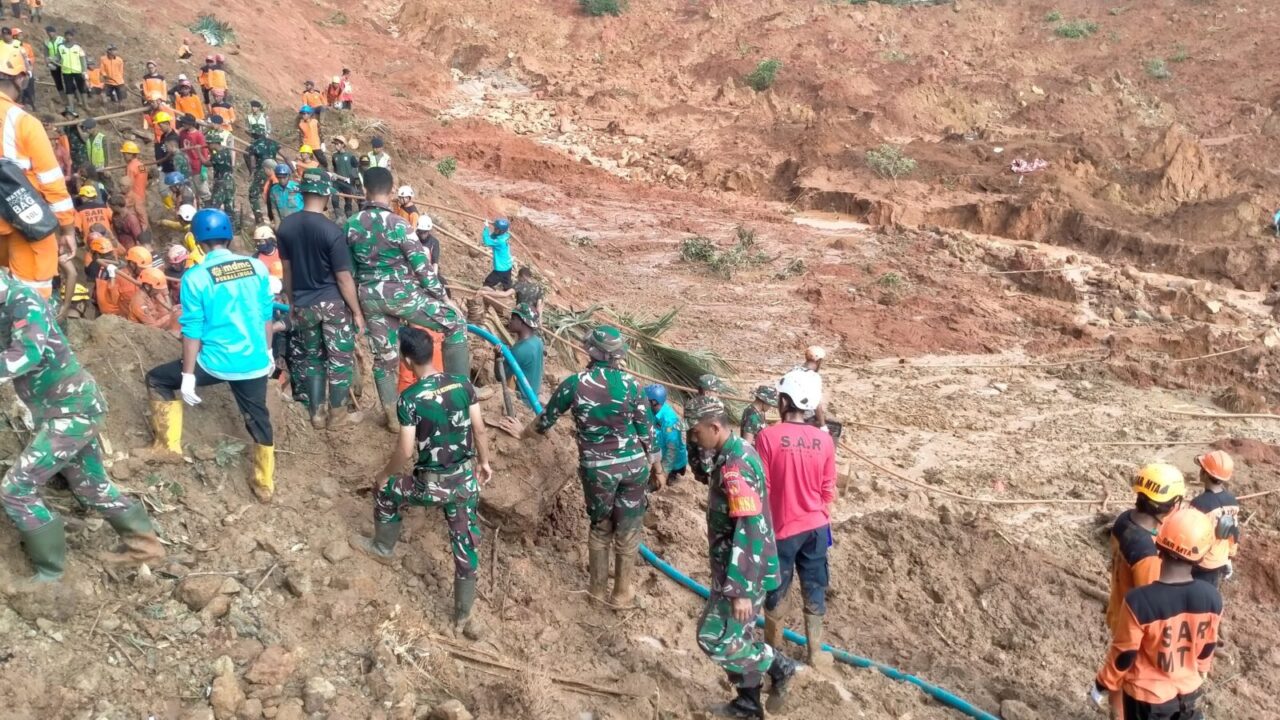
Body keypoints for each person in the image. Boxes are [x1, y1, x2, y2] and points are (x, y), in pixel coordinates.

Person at [0, 266, 165, 584]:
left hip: (72, 410)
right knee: (91, 486)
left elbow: (27, 353)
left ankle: (51, 575)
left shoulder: (23, 301)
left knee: (16, 489)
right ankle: (146, 549)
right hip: (61, 410)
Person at [499, 326, 664, 607]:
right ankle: (622, 593)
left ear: (592, 352)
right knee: (628, 531)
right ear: (617, 356)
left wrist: (522, 432)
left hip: (598, 470)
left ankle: (597, 592)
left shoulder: (574, 384)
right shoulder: (633, 386)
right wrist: (657, 469)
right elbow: (648, 434)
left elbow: (545, 420)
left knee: (601, 529)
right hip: (634, 467)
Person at [351, 327, 494, 639]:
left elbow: (404, 449)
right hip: (465, 482)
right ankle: (462, 615)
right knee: (464, 543)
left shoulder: (410, 399)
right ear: (434, 352)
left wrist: (385, 475)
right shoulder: (461, 384)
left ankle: (383, 547)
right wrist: (483, 462)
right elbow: (480, 430)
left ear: (405, 359)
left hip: (430, 486)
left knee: (387, 493)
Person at [143, 209, 276, 501]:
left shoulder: (196, 277)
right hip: (254, 361)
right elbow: (267, 313)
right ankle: (264, 483)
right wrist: (267, 351)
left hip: (215, 364)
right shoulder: (257, 268)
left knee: (158, 379)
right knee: (258, 417)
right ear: (228, 236)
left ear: (199, 242)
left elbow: (192, 331)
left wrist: (188, 376)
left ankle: (169, 446)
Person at [688, 398, 798, 717]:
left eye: (697, 433)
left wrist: (739, 590)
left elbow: (748, 527)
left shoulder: (735, 466)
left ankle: (780, 667)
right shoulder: (734, 453)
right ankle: (749, 704)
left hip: (742, 572)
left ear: (715, 427)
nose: (695, 439)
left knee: (712, 636)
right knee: (739, 636)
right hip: (739, 568)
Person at [345, 166, 468, 430]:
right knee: (455, 324)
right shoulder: (399, 224)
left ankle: (392, 418)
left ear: (365, 189)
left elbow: (349, 272)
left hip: (369, 297)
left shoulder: (351, 225)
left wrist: (356, 310)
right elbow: (422, 268)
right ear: (391, 192)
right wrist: (445, 299)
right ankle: (461, 393)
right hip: (401, 294)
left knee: (384, 358)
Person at [1092, 508, 1221, 720]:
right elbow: (1207, 645)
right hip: (1189, 695)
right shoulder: (1212, 598)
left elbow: (1124, 654)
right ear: (1201, 556)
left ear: (1158, 544)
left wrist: (1103, 683)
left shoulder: (1139, 601)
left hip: (1147, 699)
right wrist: (1202, 669)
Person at [757, 369, 836, 670]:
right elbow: (829, 489)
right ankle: (816, 653)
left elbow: (763, 488)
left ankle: (773, 653)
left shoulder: (767, 437)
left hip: (783, 530)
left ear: (784, 401)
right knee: (814, 585)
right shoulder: (824, 440)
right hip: (816, 527)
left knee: (777, 589)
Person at [277, 167, 365, 429]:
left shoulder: (286, 227)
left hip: (304, 304)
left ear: (302, 192)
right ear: (327, 195)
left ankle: (316, 414)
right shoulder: (331, 231)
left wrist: (292, 303)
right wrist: (357, 312)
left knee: (312, 358)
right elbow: (343, 278)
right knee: (339, 359)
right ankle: (337, 416)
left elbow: (287, 269)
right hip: (332, 303)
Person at [1102, 463, 1186, 718]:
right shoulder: (1147, 554)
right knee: (1135, 676)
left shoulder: (1124, 520)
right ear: (1172, 504)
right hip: (1137, 629)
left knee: (1122, 669)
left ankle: (1116, 713)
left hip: (1119, 610)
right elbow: (1151, 600)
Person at [0, 43, 76, 300]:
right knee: (32, 296)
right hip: (23, 224)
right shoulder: (23, 122)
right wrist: (67, 229)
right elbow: (51, 182)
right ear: (20, 78)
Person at [1189, 450, 1240, 588]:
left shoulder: (1199, 505)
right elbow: (1234, 532)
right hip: (1219, 560)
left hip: (1200, 563)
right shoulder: (1232, 501)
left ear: (1205, 474)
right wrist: (1229, 556)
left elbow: (1190, 537)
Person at [686, 374, 726, 485]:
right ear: (707, 393)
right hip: (707, 453)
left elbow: (690, 435)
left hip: (693, 451)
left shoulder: (690, 405)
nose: (718, 395)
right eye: (716, 392)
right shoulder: (715, 407)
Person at [644, 384, 687, 481]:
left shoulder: (669, 420)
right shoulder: (654, 411)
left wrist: (664, 472)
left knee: (656, 483)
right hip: (661, 452)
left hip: (673, 463)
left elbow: (672, 449)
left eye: (646, 400)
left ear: (654, 402)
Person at [504, 303, 544, 404]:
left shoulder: (519, 350)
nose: (510, 321)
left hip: (522, 402)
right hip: (533, 397)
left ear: (522, 322)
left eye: (513, 319)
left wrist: (498, 356)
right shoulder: (537, 341)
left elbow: (500, 376)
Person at [245, 127, 281, 224]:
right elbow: (283, 156)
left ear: (254, 135)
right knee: (274, 194)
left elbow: (252, 164)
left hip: (263, 171)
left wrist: (252, 173)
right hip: (275, 170)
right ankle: (278, 217)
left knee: (253, 195)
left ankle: (259, 219)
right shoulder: (273, 143)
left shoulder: (254, 146)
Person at [128, 267, 180, 331]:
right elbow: (152, 327)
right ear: (147, 286)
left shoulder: (152, 293)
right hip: (143, 333)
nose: (159, 292)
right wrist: (171, 315)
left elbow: (166, 307)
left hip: (155, 325)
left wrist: (175, 308)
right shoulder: (139, 303)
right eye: (157, 289)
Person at [177, 114, 210, 202]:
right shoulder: (182, 133)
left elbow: (204, 152)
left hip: (197, 167)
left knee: (203, 191)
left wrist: (204, 169)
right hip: (186, 167)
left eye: (185, 123)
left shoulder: (198, 135)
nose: (183, 124)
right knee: (190, 192)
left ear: (190, 124)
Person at [329, 135, 361, 217]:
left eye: (337, 144)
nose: (335, 145)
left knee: (348, 202)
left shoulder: (350, 156)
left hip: (348, 182)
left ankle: (349, 219)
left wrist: (356, 183)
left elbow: (356, 170)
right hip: (337, 182)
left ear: (343, 144)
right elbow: (335, 167)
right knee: (334, 199)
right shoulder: (334, 156)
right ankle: (338, 217)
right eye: (335, 144)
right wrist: (335, 176)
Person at [56, 29, 86, 114]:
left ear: (73, 37)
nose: (69, 37)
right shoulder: (60, 47)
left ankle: (85, 105)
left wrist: (84, 71)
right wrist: (52, 60)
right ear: (65, 36)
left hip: (78, 71)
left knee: (82, 88)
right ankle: (71, 106)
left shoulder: (78, 46)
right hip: (66, 72)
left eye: (70, 35)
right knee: (69, 89)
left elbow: (82, 59)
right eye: (67, 35)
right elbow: (58, 58)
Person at [480, 217, 514, 289]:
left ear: (501, 231)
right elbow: (493, 236)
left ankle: (491, 296)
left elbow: (487, 241)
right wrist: (495, 225)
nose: (495, 230)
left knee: (487, 284)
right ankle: (508, 295)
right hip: (508, 265)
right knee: (507, 286)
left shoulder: (500, 241)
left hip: (500, 269)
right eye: (495, 228)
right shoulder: (506, 235)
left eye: (496, 229)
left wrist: (486, 227)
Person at [208, 129, 235, 217]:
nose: (208, 145)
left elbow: (206, 163)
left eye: (209, 143)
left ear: (215, 143)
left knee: (214, 207)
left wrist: (199, 152)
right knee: (229, 208)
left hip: (221, 183)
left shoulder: (218, 155)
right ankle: (232, 227)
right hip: (230, 182)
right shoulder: (226, 151)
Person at [42, 26, 63, 97]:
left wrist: (56, 58)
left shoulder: (61, 40)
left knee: (67, 80)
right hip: (53, 64)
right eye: (48, 32)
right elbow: (46, 53)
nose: (49, 34)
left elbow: (63, 50)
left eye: (51, 32)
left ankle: (73, 96)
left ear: (54, 32)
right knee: (58, 81)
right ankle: (63, 98)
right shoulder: (46, 42)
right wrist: (47, 62)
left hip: (62, 62)